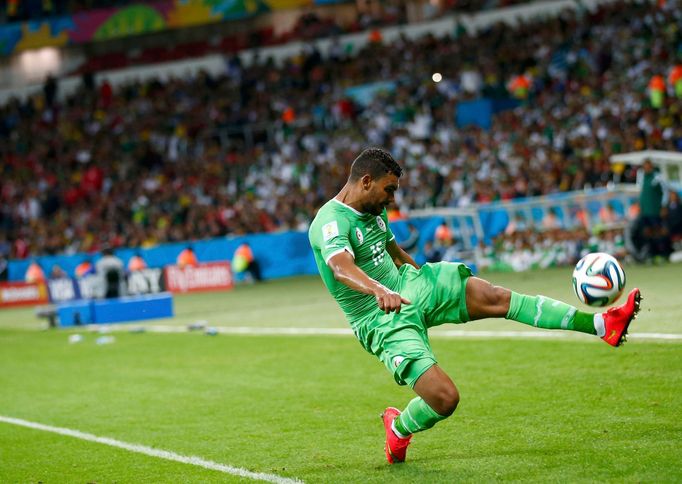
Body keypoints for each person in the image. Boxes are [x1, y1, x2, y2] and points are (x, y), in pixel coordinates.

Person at [308, 148, 642, 465]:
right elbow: (340, 266)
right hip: (378, 317)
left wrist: (420, 277)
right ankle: (398, 428)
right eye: (388, 189)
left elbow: (394, 252)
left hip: (411, 286)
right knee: (444, 399)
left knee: (496, 297)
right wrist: (380, 290)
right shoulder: (330, 222)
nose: (392, 199)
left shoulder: (374, 209)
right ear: (365, 181)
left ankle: (601, 325)